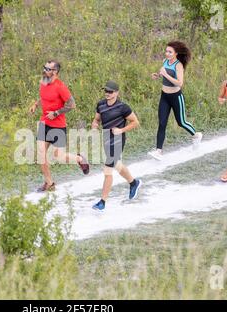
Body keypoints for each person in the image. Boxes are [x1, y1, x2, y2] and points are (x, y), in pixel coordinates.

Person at [29, 60, 89, 192]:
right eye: (44, 67)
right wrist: (35, 104)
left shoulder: (60, 86)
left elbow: (71, 105)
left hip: (57, 125)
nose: (45, 70)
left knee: (59, 157)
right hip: (45, 123)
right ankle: (49, 183)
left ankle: (79, 159)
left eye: (48, 69)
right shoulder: (44, 81)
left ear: (55, 71)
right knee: (40, 154)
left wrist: (56, 113)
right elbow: (43, 97)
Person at [91, 80, 142, 211]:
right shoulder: (101, 105)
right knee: (117, 165)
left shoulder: (123, 107)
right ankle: (133, 183)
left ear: (116, 93)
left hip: (118, 139)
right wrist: (95, 124)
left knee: (108, 170)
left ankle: (102, 202)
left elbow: (135, 122)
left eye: (110, 91)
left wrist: (121, 130)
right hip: (107, 138)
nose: (107, 93)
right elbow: (97, 119)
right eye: (105, 91)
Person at [148, 41, 203, 161]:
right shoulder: (164, 61)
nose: (167, 53)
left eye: (170, 52)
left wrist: (165, 74)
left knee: (181, 122)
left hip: (176, 96)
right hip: (164, 96)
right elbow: (162, 74)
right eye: (166, 51)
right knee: (162, 123)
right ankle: (158, 151)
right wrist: (157, 75)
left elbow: (179, 83)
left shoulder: (179, 65)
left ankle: (196, 135)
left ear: (176, 53)